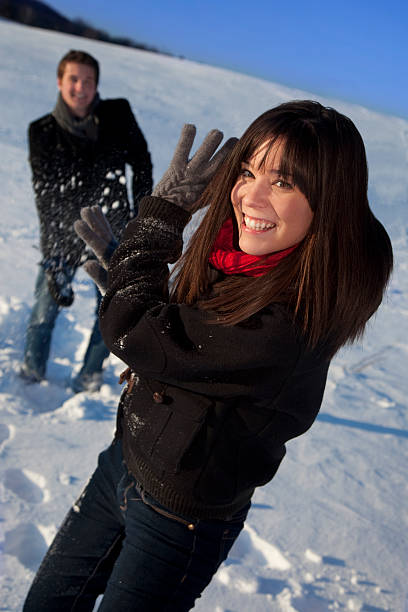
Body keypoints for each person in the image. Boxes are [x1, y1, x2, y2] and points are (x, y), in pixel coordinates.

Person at [23, 100, 393, 610]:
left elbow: (134, 333)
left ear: (329, 202)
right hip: (121, 464)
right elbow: (174, 341)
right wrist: (140, 282)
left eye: (283, 182)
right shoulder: (241, 254)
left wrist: (154, 233)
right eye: (247, 170)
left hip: (177, 518)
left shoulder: (288, 323)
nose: (249, 196)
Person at [20, 49, 152, 392]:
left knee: (109, 313)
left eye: (88, 81)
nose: (81, 87)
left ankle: (90, 376)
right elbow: (45, 194)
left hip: (111, 229)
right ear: (60, 82)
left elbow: (141, 160)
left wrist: (140, 213)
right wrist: (53, 254)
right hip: (63, 232)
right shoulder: (42, 132)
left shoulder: (117, 114)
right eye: (74, 79)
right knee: (44, 309)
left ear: (96, 85)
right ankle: (31, 372)